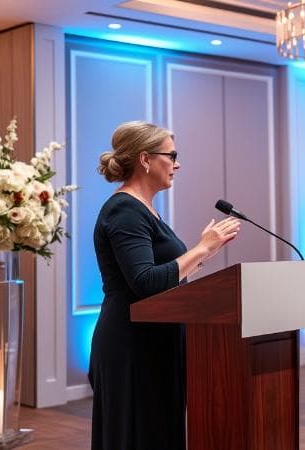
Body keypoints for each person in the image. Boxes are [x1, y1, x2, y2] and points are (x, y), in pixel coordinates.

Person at [88, 121, 241, 450]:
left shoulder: (144, 210)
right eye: (171, 155)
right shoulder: (124, 210)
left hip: (155, 342)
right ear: (145, 159)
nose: (177, 164)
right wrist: (201, 248)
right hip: (132, 345)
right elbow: (145, 282)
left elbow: (163, 277)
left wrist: (206, 251)